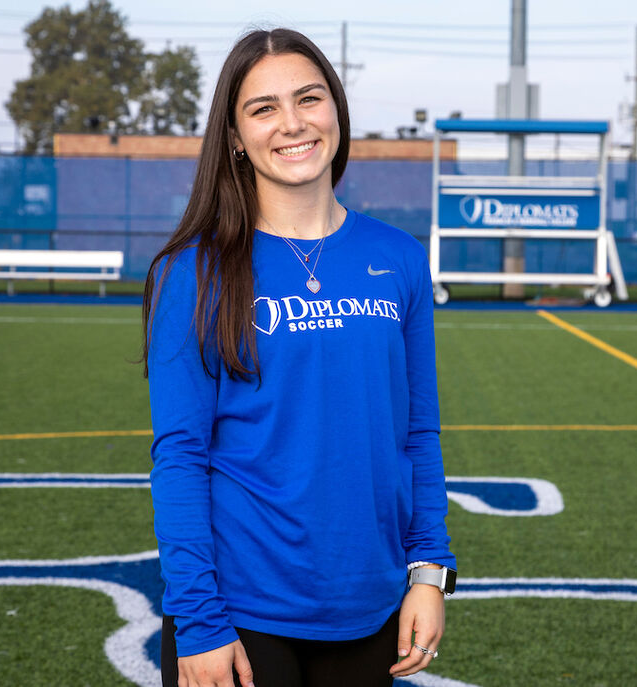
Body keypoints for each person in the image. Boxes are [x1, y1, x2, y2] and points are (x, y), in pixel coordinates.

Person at [142, 28, 457, 687]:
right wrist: (199, 620)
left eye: (309, 99)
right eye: (263, 108)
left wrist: (428, 571)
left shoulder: (398, 257)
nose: (292, 123)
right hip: (241, 613)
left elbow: (418, 434)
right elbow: (180, 455)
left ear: (336, 110)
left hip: (369, 605)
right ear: (234, 135)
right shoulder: (191, 272)